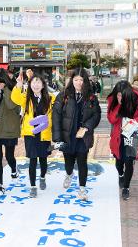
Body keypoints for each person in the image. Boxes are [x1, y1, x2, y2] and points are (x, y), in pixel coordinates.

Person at [52, 68, 101, 201]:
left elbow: (97, 115)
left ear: (85, 81)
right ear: (71, 81)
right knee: (68, 163)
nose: (79, 82)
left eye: (81, 80)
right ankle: (69, 174)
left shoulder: (91, 97)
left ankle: (82, 189)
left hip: (83, 137)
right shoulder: (63, 96)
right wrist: (57, 138)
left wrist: (87, 127)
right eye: (76, 80)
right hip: (67, 136)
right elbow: (56, 116)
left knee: (82, 162)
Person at [11, 73, 55, 198]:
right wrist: (18, 85)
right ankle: (33, 186)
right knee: (32, 160)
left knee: (43, 159)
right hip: (30, 134)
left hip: (44, 133)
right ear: (30, 84)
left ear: (43, 85)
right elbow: (15, 98)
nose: (36, 84)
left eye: (38, 82)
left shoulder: (50, 98)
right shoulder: (25, 97)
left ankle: (42, 177)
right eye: (33, 82)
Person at [107, 80, 138, 200]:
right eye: (118, 95)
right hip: (118, 135)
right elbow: (111, 119)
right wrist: (119, 105)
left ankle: (126, 187)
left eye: (123, 95)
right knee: (119, 161)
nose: (120, 97)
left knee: (129, 161)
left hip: (133, 134)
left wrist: (136, 121)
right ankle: (121, 174)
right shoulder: (113, 100)